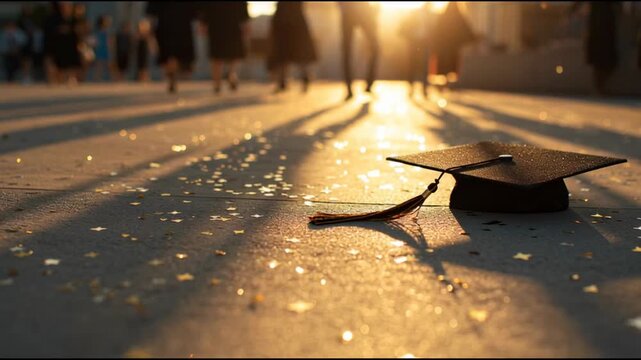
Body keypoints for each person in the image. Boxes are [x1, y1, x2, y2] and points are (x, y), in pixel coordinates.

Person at [146, 2, 199, 93]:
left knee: (170, 52)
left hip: (171, 23)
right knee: (171, 52)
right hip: (177, 23)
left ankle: (172, 76)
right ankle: (172, 76)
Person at [571, 2, 621, 95]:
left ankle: (599, 87)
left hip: (605, 24)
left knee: (605, 60)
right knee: (599, 60)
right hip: (598, 25)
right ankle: (599, 88)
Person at [199, 2, 250, 94]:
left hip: (217, 23)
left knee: (217, 55)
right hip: (231, 22)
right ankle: (231, 74)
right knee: (232, 53)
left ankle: (217, 83)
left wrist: (203, 23)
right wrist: (245, 23)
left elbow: (205, 7)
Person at [269, 1, 317, 93]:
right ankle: (303, 75)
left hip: (283, 19)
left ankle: (283, 79)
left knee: (283, 51)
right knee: (298, 51)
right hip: (296, 19)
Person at [338, 2, 380, 100]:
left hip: (363, 10)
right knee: (346, 51)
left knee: (375, 48)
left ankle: (368, 84)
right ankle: (350, 88)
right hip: (351, 11)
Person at [431, 2, 476, 89]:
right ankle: (447, 82)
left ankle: (446, 82)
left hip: (447, 47)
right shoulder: (457, 17)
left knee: (447, 65)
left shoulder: (444, 18)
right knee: (449, 64)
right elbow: (466, 29)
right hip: (452, 47)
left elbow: (437, 33)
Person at [398, 4, 434, 97]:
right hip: (414, 42)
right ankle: (411, 86)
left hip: (425, 42)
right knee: (413, 64)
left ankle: (424, 88)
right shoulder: (415, 13)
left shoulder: (430, 15)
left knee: (425, 65)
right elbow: (407, 25)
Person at [53, 1, 82, 84]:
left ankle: (72, 79)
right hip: (61, 46)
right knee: (62, 65)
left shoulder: (74, 19)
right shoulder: (56, 19)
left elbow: (79, 32)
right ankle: (60, 81)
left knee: (73, 65)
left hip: (72, 46)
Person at [92, 15, 112, 81]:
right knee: (99, 65)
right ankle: (96, 78)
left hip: (104, 50)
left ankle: (99, 78)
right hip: (101, 50)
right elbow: (97, 42)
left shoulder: (106, 31)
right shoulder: (100, 32)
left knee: (104, 65)